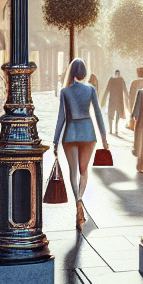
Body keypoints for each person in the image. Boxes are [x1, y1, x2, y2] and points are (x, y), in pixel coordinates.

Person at [52, 57, 108, 231]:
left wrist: (55, 140)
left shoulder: (65, 92)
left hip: (70, 133)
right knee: (84, 171)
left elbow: (61, 117)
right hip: (88, 132)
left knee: (73, 172)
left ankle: (77, 203)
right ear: (84, 73)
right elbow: (98, 114)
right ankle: (80, 200)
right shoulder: (90, 90)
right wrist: (104, 137)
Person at [103, 70, 127, 135]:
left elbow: (124, 89)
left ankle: (115, 129)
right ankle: (112, 130)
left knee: (116, 115)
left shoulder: (116, 80)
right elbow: (107, 89)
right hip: (116, 100)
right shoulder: (116, 80)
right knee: (112, 115)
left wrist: (104, 98)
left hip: (115, 100)